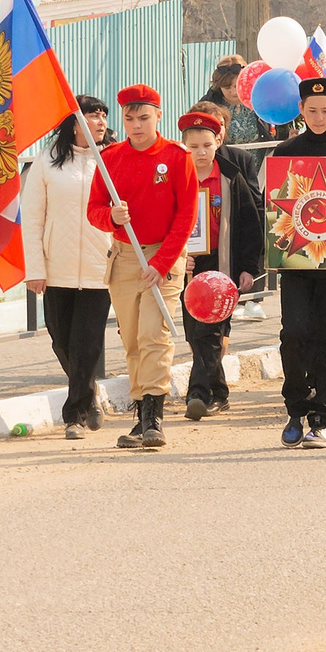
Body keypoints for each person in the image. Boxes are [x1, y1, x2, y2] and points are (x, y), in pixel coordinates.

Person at [84, 85, 193, 451]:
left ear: (158, 116)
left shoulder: (177, 157)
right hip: (125, 255)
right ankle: (139, 413)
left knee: (153, 335)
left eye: (144, 118)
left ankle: (153, 415)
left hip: (164, 255)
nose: (136, 126)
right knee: (131, 339)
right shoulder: (110, 158)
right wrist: (111, 217)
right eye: (129, 119)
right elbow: (93, 210)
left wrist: (163, 262)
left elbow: (186, 215)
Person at [22, 102, 112, 439]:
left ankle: (74, 414)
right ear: (75, 122)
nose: (101, 121)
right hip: (55, 267)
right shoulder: (47, 161)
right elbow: (32, 218)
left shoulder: (112, 159)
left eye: (104, 115)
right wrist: (35, 267)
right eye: (93, 115)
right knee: (62, 340)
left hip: (98, 267)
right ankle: (89, 391)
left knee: (86, 343)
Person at [177, 107, 265, 421]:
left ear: (218, 141)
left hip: (223, 264)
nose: (200, 152)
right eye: (193, 146)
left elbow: (249, 225)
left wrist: (248, 267)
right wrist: (175, 257)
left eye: (206, 145)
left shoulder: (230, 177)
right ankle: (219, 393)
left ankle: (197, 393)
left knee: (211, 332)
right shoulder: (176, 175)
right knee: (193, 331)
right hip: (187, 266)